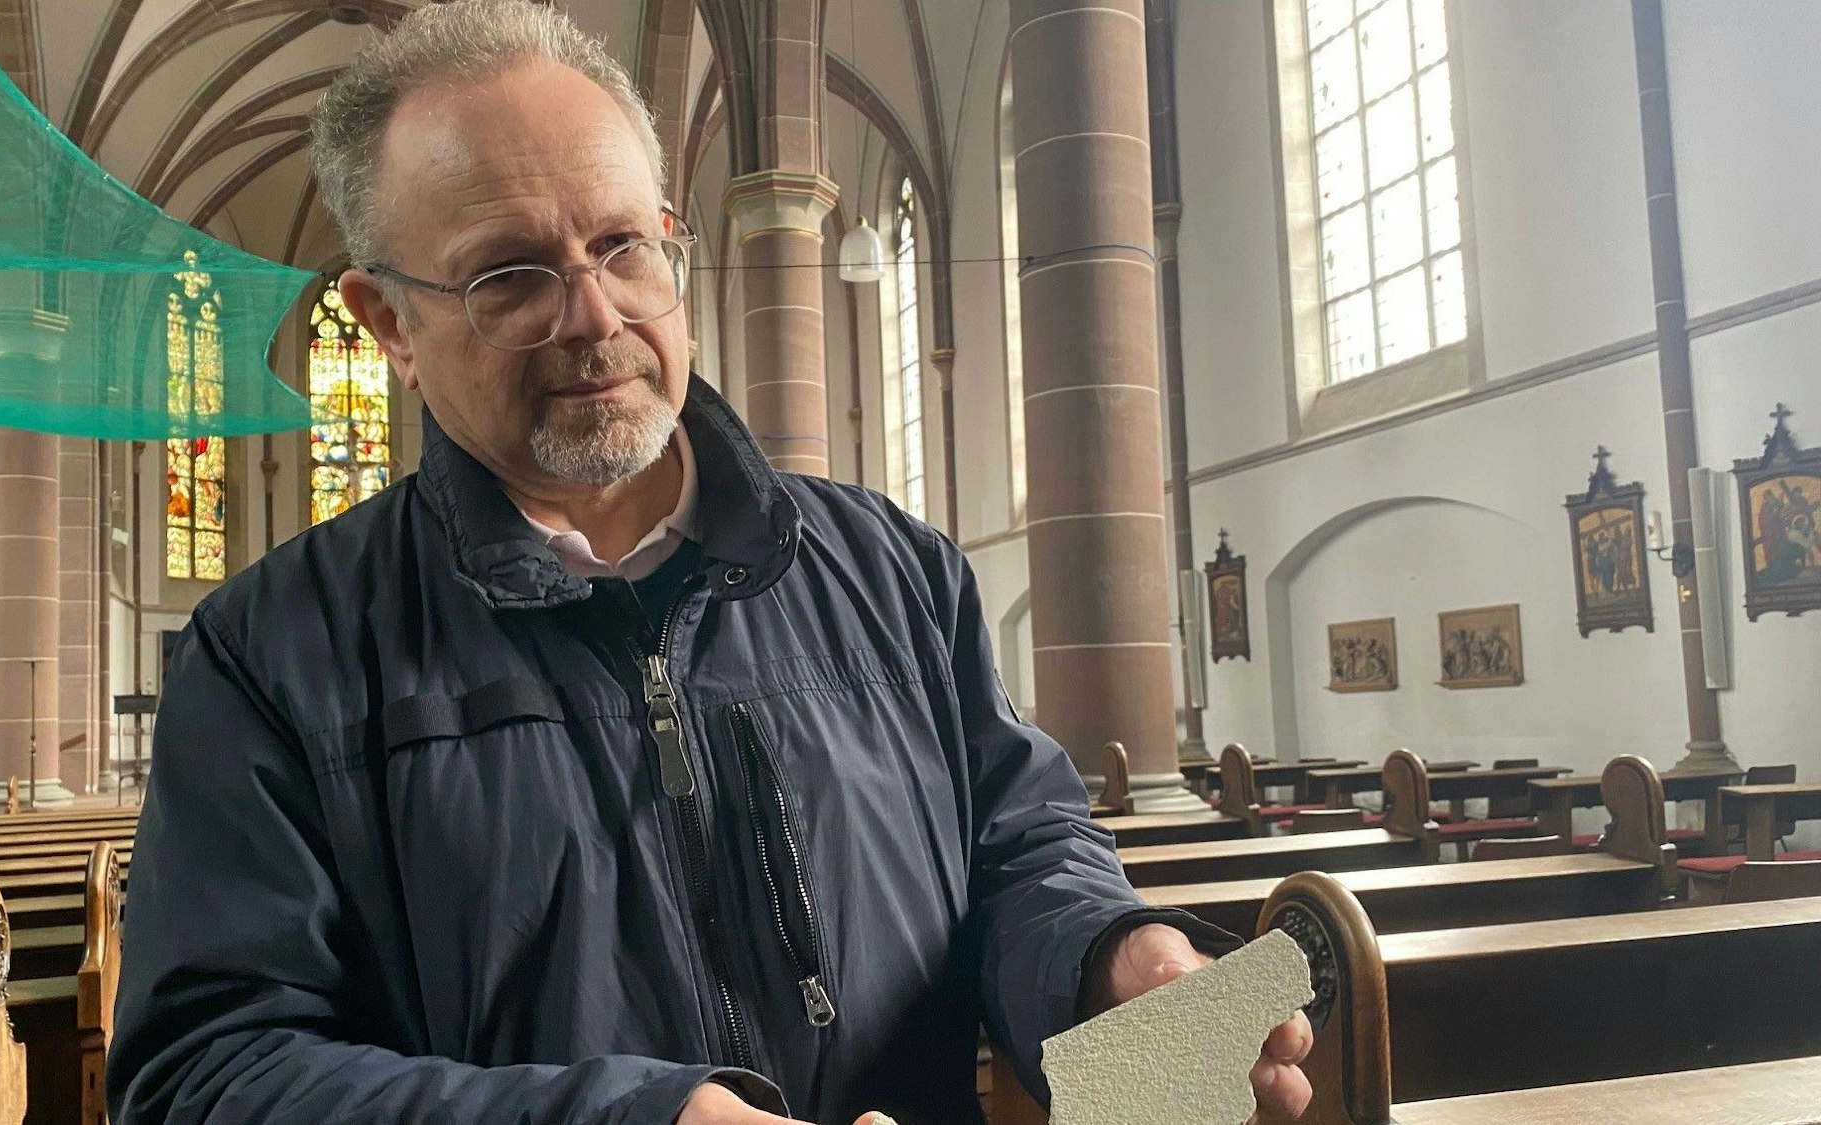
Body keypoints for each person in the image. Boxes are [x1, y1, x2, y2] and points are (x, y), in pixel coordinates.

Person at [106, 3, 1311, 1122]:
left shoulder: (890, 569)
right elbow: (208, 1069)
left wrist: (1108, 965)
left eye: (622, 246)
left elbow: (1018, 850)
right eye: (508, 274)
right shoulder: (270, 653)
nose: (593, 315)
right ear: (388, 327)